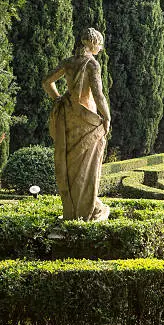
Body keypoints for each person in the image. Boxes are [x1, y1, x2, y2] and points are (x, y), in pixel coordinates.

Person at [42, 28, 110, 221]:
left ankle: (73, 211)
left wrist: (58, 99)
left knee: (71, 165)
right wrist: (107, 117)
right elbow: (98, 95)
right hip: (87, 119)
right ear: (93, 44)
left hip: (69, 116)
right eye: (100, 44)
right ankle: (89, 209)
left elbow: (47, 82)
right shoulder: (92, 65)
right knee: (87, 166)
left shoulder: (69, 62)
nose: (101, 47)